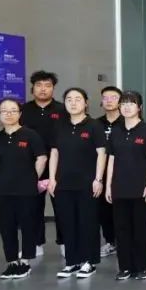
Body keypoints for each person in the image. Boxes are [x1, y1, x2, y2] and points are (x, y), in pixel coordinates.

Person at [0, 98, 47, 279]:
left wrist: (31, 178)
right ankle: (12, 262)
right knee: (6, 227)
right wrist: (0, 176)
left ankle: (25, 261)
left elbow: (41, 158)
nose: (9, 114)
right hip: (0, 191)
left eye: (13, 110)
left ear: (20, 113)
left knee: (28, 225)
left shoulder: (30, 135)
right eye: (4, 110)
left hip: (26, 190)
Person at [48, 88, 107, 279]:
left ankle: (89, 261)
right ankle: (71, 262)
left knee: (87, 222)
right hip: (63, 183)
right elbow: (54, 153)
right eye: (69, 99)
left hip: (87, 183)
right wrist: (52, 178)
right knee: (67, 222)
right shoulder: (59, 126)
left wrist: (98, 179)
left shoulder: (94, 125)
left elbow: (101, 153)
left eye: (78, 99)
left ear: (86, 102)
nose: (73, 103)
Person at [105, 90, 146, 280]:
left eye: (131, 103)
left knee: (141, 229)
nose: (127, 107)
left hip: (141, 188)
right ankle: (125, 267)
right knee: (121, 229)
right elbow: (111, 159)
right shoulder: (116, 131)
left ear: (139, 107)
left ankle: (142, 266)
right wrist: (108, 186)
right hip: (119, 188)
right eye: (123, 103)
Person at [20, 70, 66, 257]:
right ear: (32, 88)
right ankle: (36, 243)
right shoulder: (23, 110)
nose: (43, 89)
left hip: (58, 165)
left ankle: (64, 242)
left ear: (53, 88)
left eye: (48, 85)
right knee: (32, 207)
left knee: (61, 206)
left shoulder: (63, 110)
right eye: (39, 85)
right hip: (31, 165)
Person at [97, 86, 122, 259]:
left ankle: (125, 241)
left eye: (113, 97)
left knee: (122, 210)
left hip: (123, 173)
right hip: (102, 173)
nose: (109, 101)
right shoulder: (95, 124)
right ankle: (110, 242)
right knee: (104, 211)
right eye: (105, 98)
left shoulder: (127, 122)